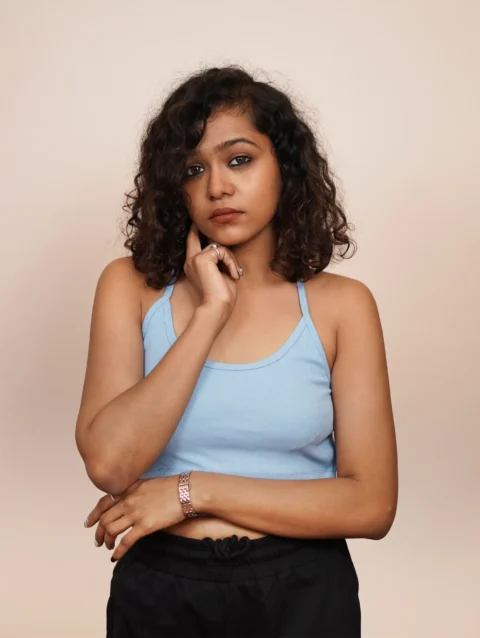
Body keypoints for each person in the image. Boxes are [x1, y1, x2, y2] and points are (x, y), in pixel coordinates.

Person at [75, 65, 398, 638]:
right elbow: (111, 464)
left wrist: (191, 492)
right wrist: (208, 315)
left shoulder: (342, 306)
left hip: (302, 590)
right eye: (193, 169)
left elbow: (371, 505)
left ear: (286, 167)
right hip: (159, 586)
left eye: (240, 159)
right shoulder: (129, 286)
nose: (217, 187)